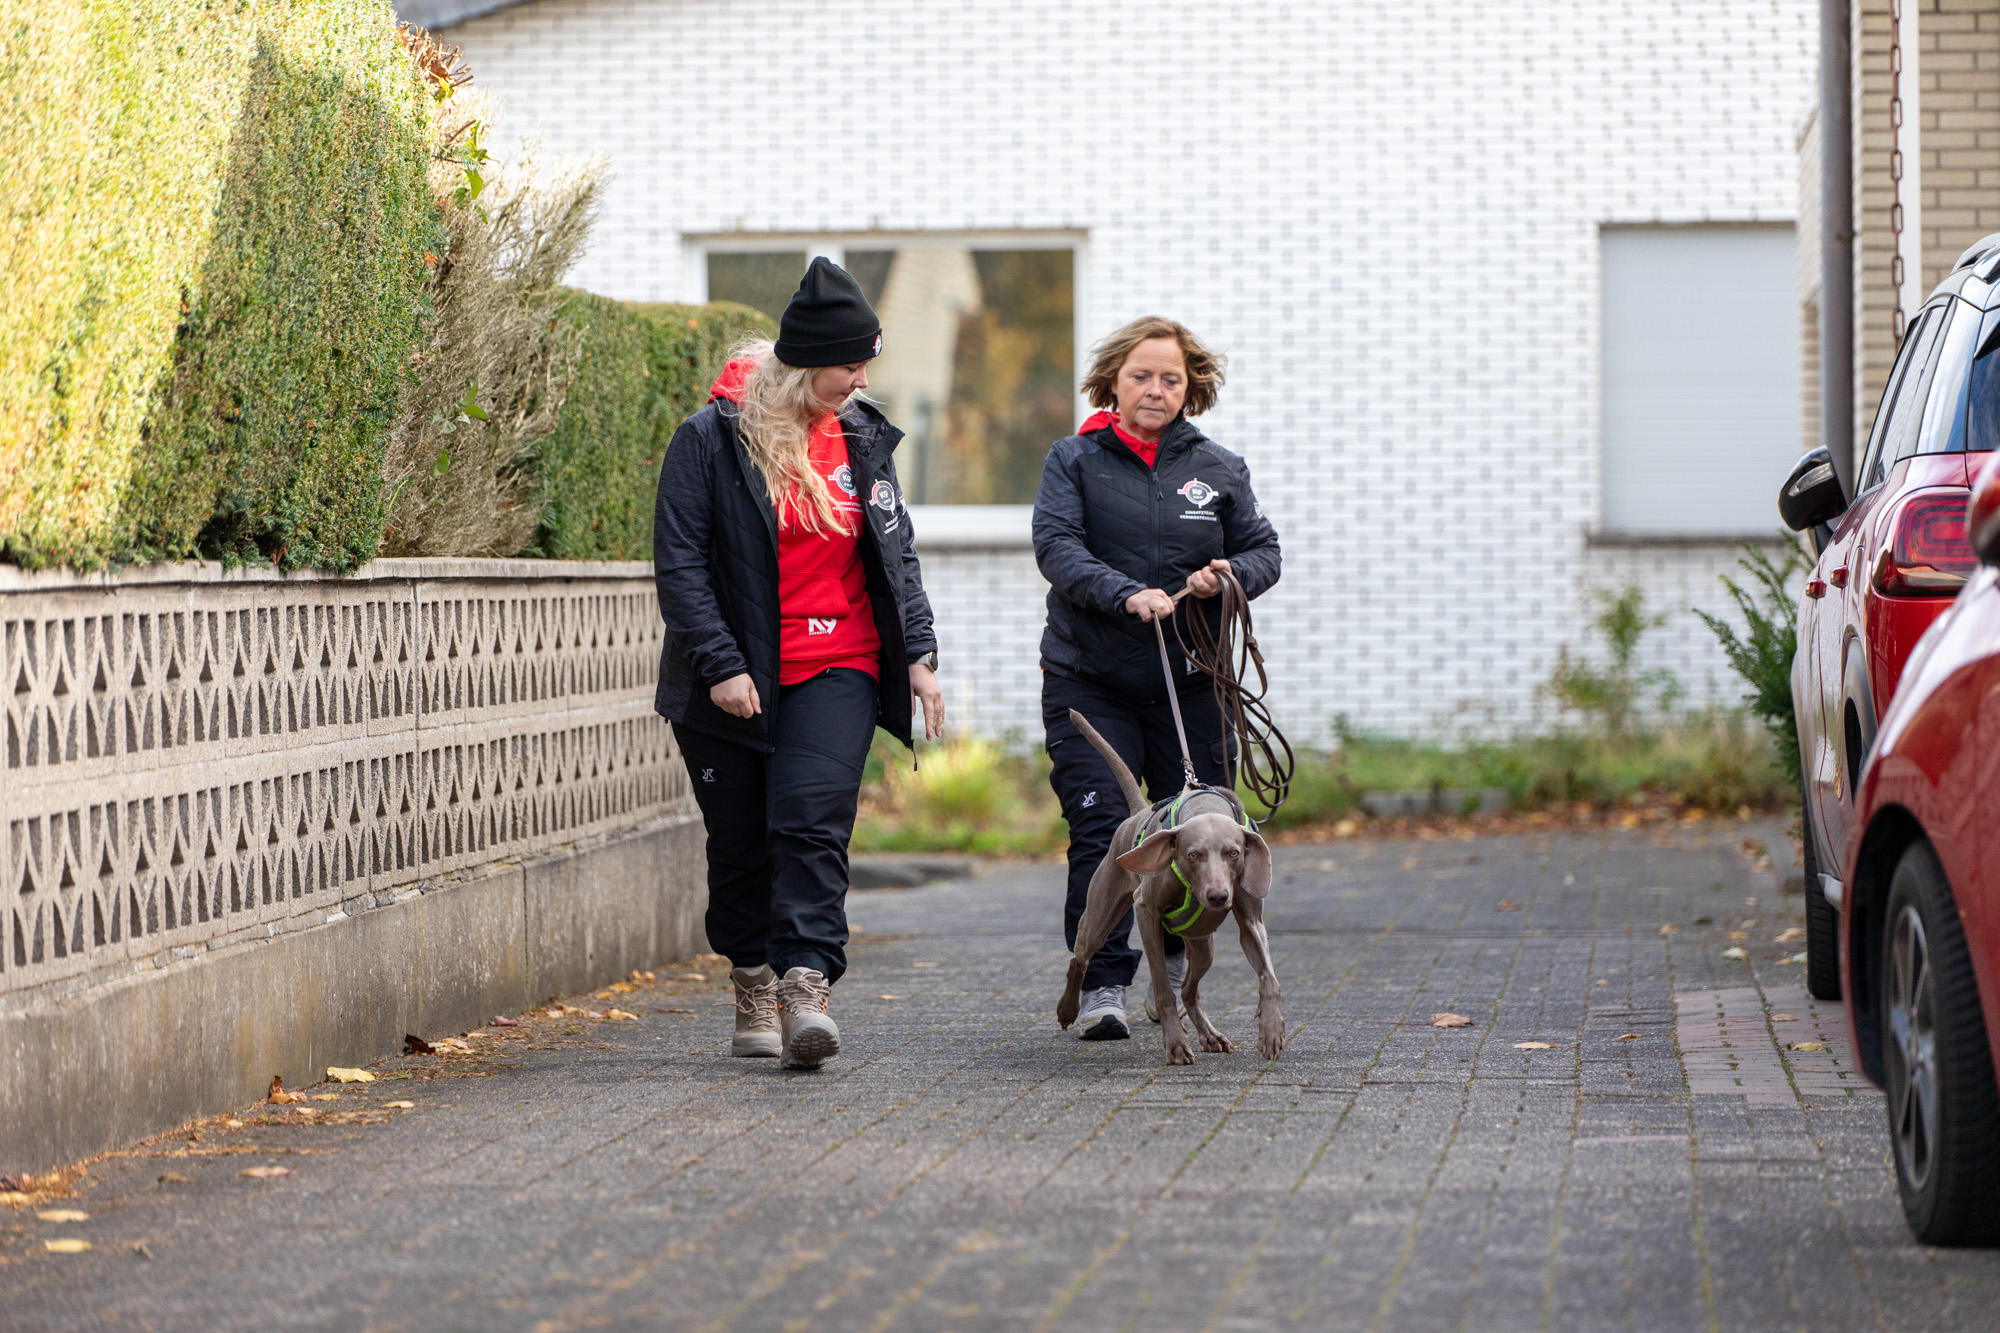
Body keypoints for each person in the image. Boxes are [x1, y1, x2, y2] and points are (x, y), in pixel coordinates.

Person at [652, 258, 945, 1070]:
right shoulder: (710, 439)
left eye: (865, 365)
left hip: (838, 662)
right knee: (741, 844)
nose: (860, 380)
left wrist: (917, 652)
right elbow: (680, 564)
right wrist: (720, 664)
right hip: (733, 674)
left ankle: (807, 985)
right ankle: (751, 976)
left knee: (812, 823)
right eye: (849, 364)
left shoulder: (862, 440)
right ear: (807, 359)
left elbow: (897, 554)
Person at [1032, 316, 1282, 1040]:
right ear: (1114, 379)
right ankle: (1107, 979)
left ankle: (1169, 974)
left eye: (1171, 378)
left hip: (1193, 679)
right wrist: (1122, 591)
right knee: (1103, 829)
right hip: (1090, 677)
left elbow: (1264, 549)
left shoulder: (1219, 467)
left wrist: (1229, 575)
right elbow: (1056, 545)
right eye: (1142, 375)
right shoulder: (1074, 460)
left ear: (1190, 387)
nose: (1156, 389)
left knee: (1198, 831)